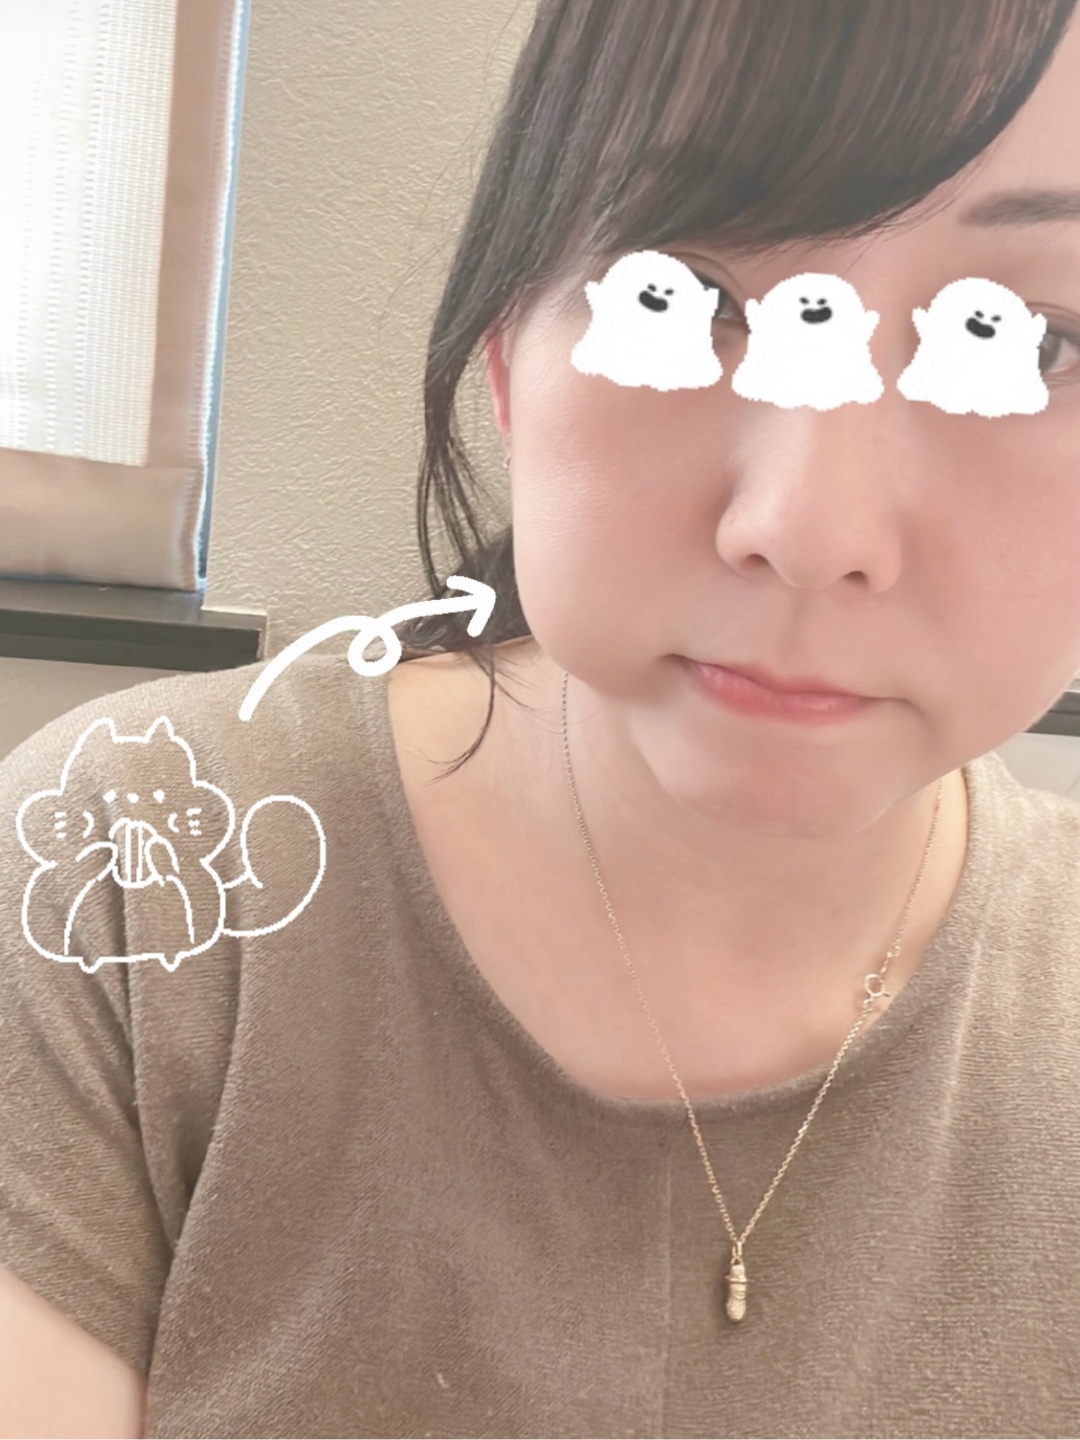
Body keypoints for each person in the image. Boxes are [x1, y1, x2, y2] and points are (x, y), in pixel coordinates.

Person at [3, 1, 1080, 1434]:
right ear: (509, 345)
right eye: (681, 296)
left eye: (1026, 340)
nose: (808, 529)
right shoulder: (134, 872)